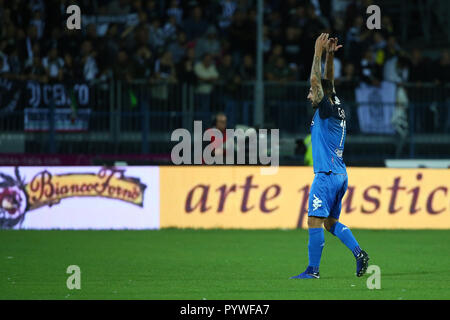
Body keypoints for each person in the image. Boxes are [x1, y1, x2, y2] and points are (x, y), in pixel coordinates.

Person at [291, 34, 369, 279]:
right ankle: (359, 253)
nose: (308, 96)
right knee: (330, 222)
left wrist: (316, 52)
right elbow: (327, 81)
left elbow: (316, 80)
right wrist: (331, 54)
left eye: (310, 93)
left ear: (318, 95)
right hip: (341, 174)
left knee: (314, 221)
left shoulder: (324, 108)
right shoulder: (335, 103)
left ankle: (312, 271)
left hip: (325, 176)